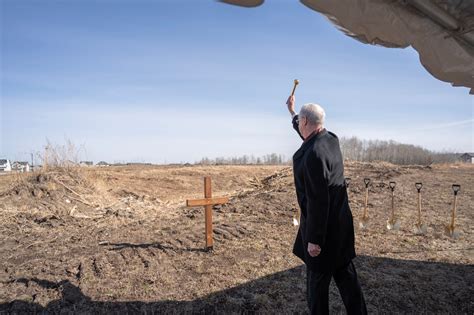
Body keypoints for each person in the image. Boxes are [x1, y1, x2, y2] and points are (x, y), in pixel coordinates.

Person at [286, 95, 367, 315]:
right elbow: (309, 133)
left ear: (305, 122)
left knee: (316, 289)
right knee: (347, 278)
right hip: (340, 226)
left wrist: (314, 240)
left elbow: (317, 201)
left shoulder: (312, 155)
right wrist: (292, 112)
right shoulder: (331, 139)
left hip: (323, 235)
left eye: (300, 121)